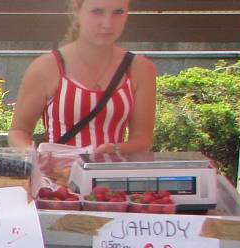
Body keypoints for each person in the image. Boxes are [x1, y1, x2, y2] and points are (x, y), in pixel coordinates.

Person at [9, 0, 156, 154]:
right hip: (57, 176)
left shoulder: (140, 69)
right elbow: (19, 131)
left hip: (109, 176)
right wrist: (34, 155)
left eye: (118, 12)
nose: (107, 23)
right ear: (77, 10)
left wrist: (116, 149)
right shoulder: (47, 67)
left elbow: (143, 139)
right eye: (97, 12)